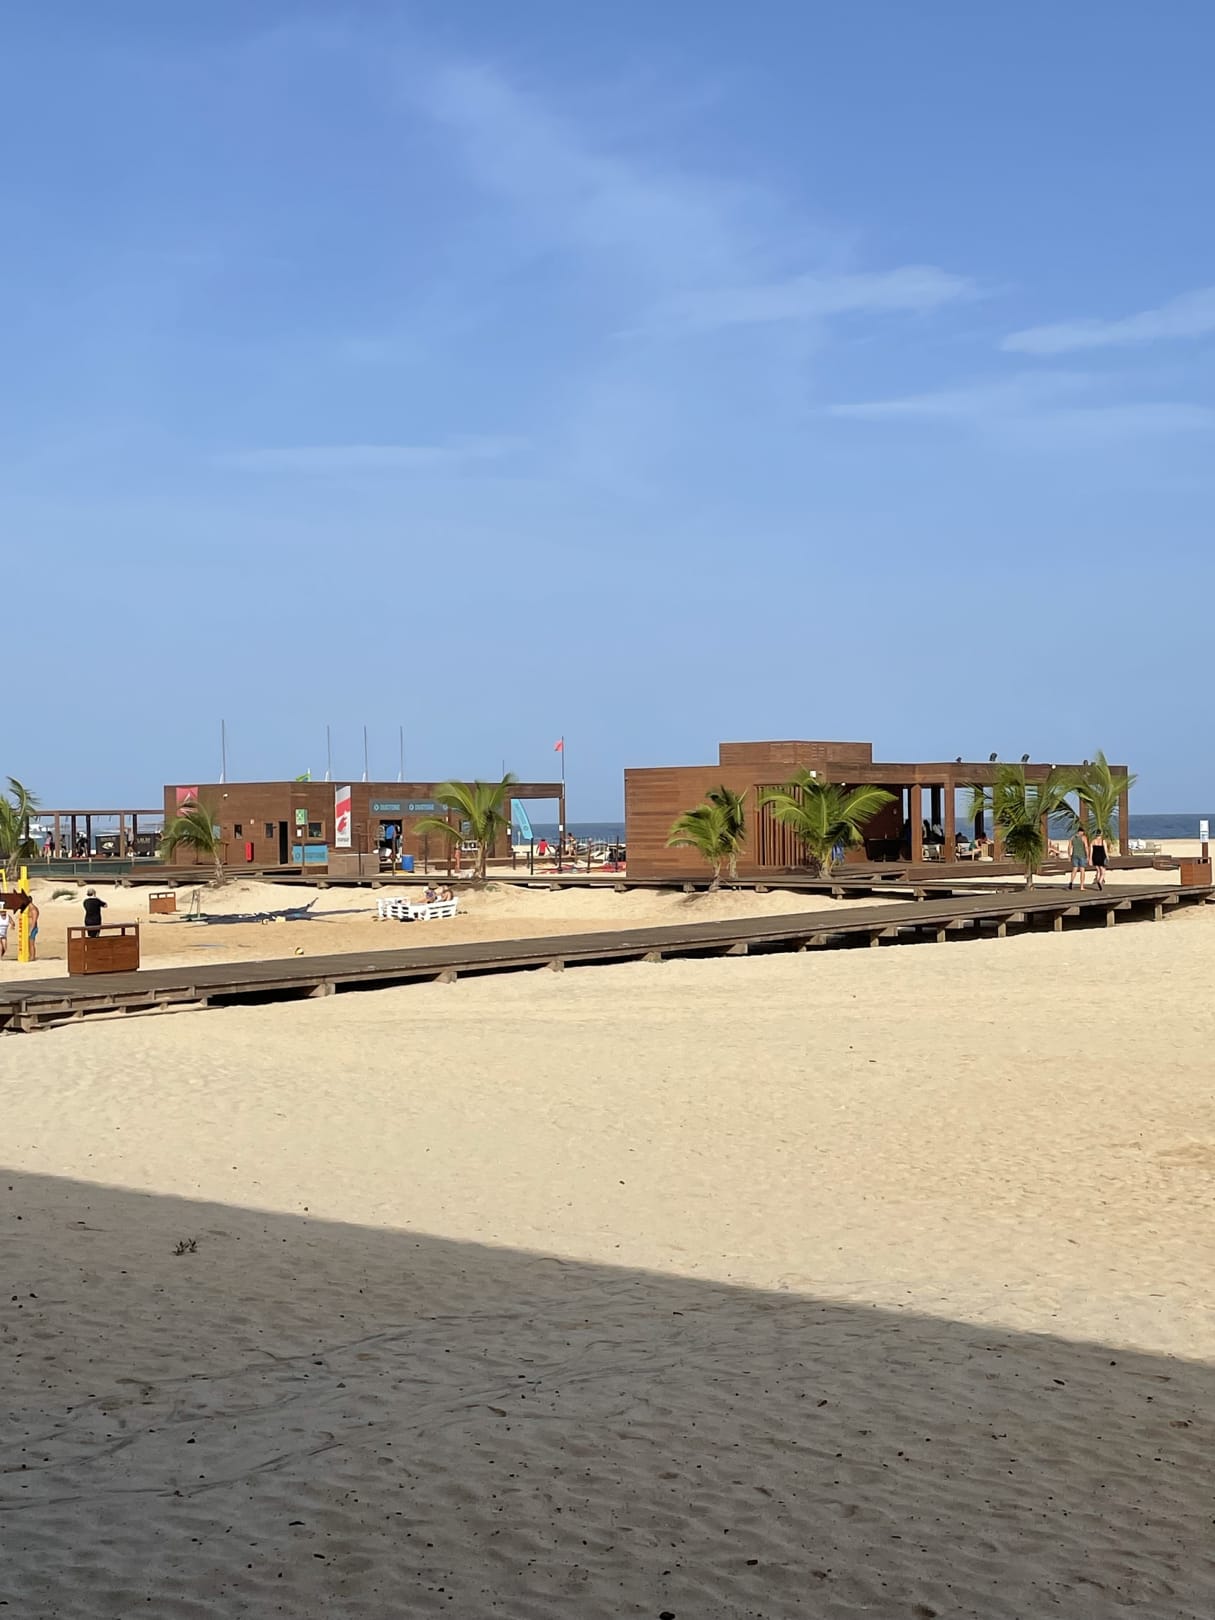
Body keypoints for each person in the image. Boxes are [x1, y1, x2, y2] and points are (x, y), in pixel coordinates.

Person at [1068, 825, 1090, 890]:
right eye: (1082, 832)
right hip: (1082, 855)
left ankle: (1071, 882)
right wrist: (1088, 856)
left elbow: (1069, 847)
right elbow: (1086, 847)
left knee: (1074, 869)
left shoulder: (1072, 837)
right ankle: (1082, 886)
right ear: (1081, 832)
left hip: (1074, 855)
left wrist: (1069, 855)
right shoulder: (1083, 838)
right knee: (1082, 870)